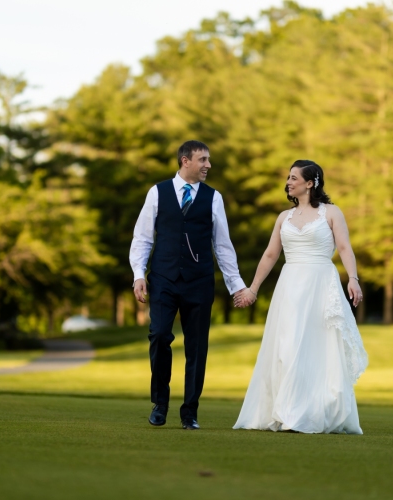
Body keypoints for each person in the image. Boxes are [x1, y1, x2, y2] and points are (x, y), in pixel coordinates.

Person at [232, 160, 368, 434]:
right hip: (290, 287)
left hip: (321, 285)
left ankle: (316, 412)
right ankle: (287, 411)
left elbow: (344, 247)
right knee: (288, 345)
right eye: (288, 177)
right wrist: (253, 288)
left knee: (319, 348)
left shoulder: (331, 213)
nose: (288, 182)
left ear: (310, 183)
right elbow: (271, 255)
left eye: (294, 177)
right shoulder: (284, 217)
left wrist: (352, 279)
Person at [130, 140, 251, 430]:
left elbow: (223, 245)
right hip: (163, 279)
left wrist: (237, 286)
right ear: (186, 161)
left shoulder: (214, 197)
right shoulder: (157, 192)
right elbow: (143, 237)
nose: (208, 165)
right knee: (159, 335)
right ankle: (160, 404)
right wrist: (138, 273)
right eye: (203, 159)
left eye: (208, 160)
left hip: (199, 282)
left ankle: (190, 412)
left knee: (197, 348)